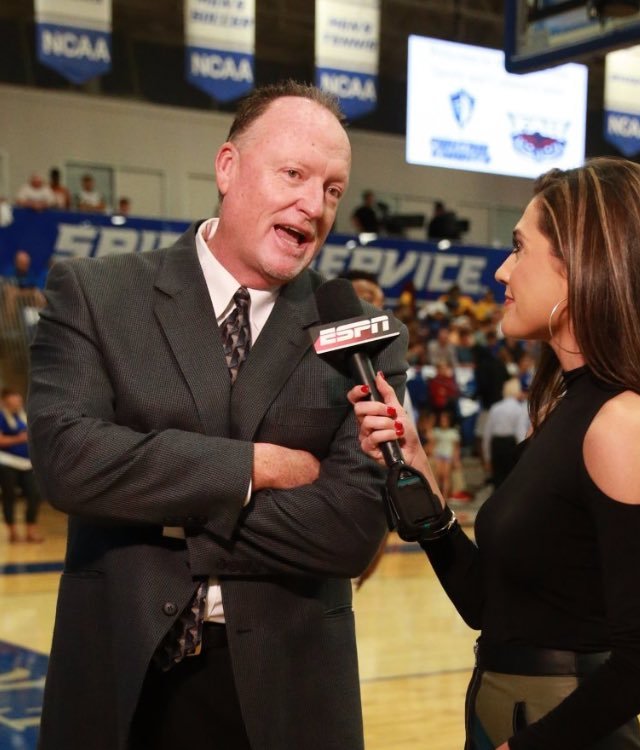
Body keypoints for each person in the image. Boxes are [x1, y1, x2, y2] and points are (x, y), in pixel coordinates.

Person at [28, 80, 408, 750]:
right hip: (124, 687)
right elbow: (69, 462)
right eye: (293, 174)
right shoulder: (97, 293)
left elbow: (350, 530)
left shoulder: (359, 331)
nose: (313, 206)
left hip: (288, 700)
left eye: (332, 190)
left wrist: (160, 513)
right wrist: (252, 467)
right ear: (227, 168)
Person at [348, 157, 640, 749]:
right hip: (506, 711)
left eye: (519, 249)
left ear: (581, 267)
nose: (502, 270)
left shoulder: (623, 422)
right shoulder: (565, 410)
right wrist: (420, 478)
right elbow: (487, 607)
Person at [0, 388, 44, 543]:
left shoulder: (23, 416)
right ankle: (12, 532)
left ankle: (30, 531)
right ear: (6, 400)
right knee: (9, 497)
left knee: (34, 495)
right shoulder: (1, 417)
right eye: (15, 399)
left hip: (27, 463)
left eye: (19, 399)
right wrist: (19, 438)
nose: (18, 402)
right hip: (7, 462)